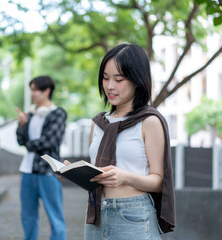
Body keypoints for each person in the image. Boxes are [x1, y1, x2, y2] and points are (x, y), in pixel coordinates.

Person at [66, 43, 175, 239]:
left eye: (119, 79)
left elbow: (159, 181)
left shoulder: (149, 121)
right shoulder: (99, 123)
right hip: (96, 212)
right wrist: (76, 172)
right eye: (106, 78)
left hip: (132, 215)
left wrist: (125, 177)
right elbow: (98, 175)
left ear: (137, 80)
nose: (110, 86)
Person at [16, 75, 67, 240]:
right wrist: (21, 125)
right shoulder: (30, 114)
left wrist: (29, 144)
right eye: (31, 90)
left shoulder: (58, 113)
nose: (32, 94)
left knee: (55, 217)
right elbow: (20, 140)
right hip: (27, 171)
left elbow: (50, 141)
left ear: (47, 91)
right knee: (28, 218)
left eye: (35, 90)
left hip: (48, 172)